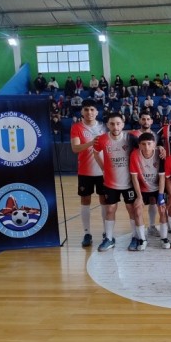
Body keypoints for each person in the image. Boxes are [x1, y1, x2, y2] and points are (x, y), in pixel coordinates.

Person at [92, 112, 137, 252]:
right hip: (111, 182)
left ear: (123, 124)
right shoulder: (102, 139)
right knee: (110, 209)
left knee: (131, 209)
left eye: (118, 123)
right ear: (107, 125)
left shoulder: (130, 138)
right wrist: (103, 169)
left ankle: (135, 237)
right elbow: (95, 152)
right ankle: (109, 238)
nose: (115, 126)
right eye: (112, 124)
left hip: (129, 182)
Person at [70, 99, 107, 247]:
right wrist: (92, 142)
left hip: (104, 171)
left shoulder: (104, 127)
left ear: (97, 112)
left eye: (92, 109)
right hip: (85, 171)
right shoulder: (77, 127)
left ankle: (106, 232)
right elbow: (75, 148)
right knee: (85, 201)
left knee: (104, 201)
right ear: (82, 112)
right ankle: (87, 233)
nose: (89, 112)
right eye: (86, 109)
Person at [130, 133, 168, 250]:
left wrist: (161, 196)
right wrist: (139, 197)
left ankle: (164, 238)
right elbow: (134, 178)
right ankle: (142, 239)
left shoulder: (160, 155)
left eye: (149, 144)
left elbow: (162, 177)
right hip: (142, 187)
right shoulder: (134, 155)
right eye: (143, 144)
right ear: (139, 145)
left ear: (154, 145)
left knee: (162, 209)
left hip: (157, 187)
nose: (146, 147)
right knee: (137, 209)